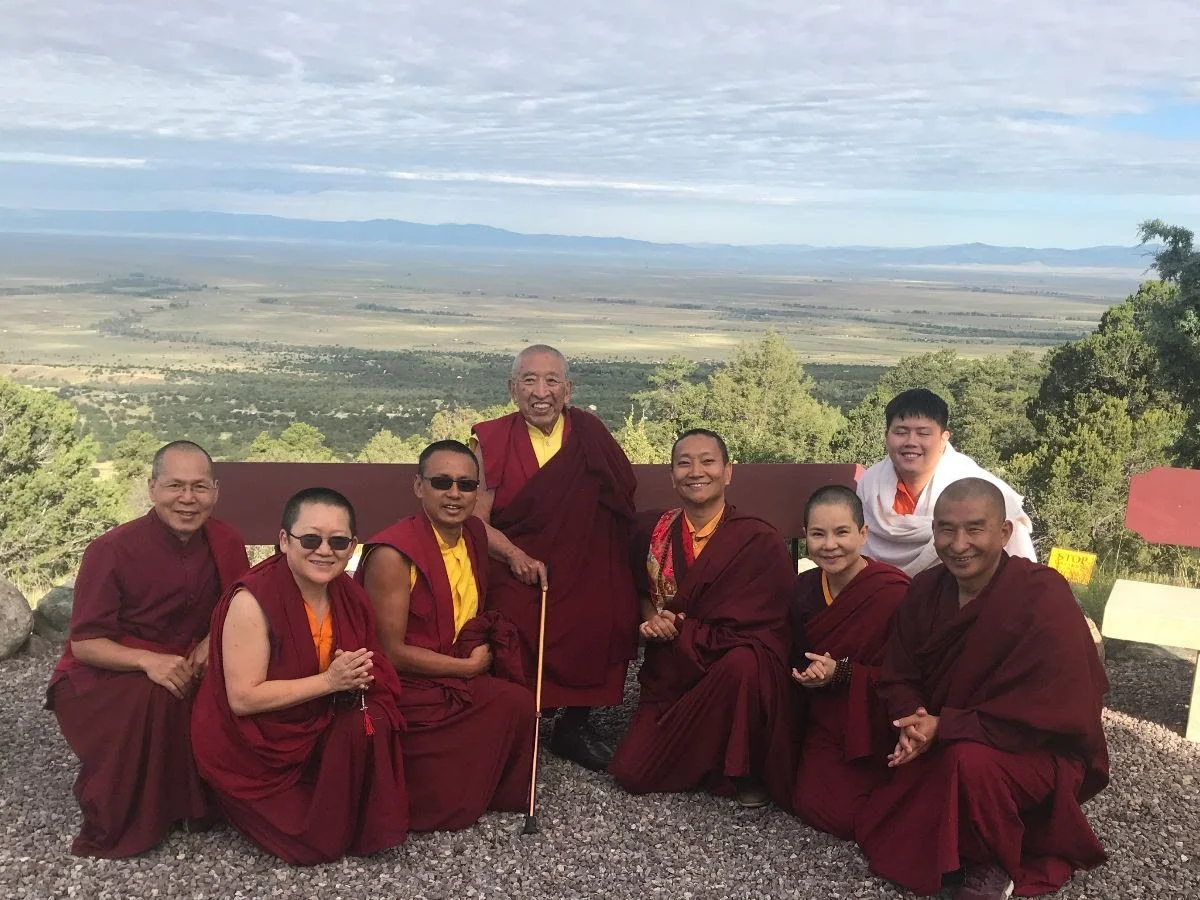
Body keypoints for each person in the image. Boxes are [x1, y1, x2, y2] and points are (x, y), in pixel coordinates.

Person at [855, 478, 1108, 900]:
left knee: (967, 761)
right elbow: (898, 672)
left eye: (975, 529)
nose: (958, 544)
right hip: (946, 732)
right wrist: (912, 720)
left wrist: (947, 726)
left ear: (1005, 533)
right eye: (945, 529)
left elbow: (1050, 711)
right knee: (855, 807)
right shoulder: (924, 591)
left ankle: (991, 862)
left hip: (1031, 749)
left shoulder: (1042, 595)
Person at [45, 441, 250, 858]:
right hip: (110, 669)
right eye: (175, 485)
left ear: (216, 491)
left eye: (199, 487)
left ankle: (216, 801)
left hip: (190, 656)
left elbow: (238, 605)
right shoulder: (111, 550)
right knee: (160, 692)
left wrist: (213, 641)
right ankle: (147, 812)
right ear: (153, 488)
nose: (187, 499)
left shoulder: (227, 540)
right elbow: (85, 644)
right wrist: (147, 660)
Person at [191, 487, 408, 865]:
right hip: (254, 750)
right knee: (313, 846)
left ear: (353, 545)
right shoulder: (252, 600)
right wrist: (330, 681)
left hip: (317, 722)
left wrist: (361, 678)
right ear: (283, 540)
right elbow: (242, 699)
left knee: (369, 720)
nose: (325, 551)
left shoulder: (349, 594)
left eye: (338, 541)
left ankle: (349, 813)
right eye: (310, 539)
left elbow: (375, 665)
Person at [470, 344, 639, 771]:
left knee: (607, 604)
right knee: (506, 611)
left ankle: (575, 724)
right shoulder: (491, 441)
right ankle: (517, 718)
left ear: (569, 389)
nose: (540, 391)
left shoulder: (590, 433)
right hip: (516, 565)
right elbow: (477, 522)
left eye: (551, 381)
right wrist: (514, 555)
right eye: (529, 380)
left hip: (585, 559)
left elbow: (619, 499)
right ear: (513, 389)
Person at [609, 429, 795, 809]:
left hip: (728, 669)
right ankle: (706, 760)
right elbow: (640, 590)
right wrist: (652, 619)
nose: (696, 471)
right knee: (632, 773)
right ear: (672, 475)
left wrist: (682, 628)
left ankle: (743, 768)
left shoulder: (758, 540)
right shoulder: (653, 531)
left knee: (746, 663)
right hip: (673, 669)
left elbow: (771, 630)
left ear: (728, 472)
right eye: (684, 462)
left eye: (708, 461)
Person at [358, 439, 535, 831]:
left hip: (453, 669)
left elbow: (491, 537)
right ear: (419, 486)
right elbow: (390, 651)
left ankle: (488, 790)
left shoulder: (471, 532)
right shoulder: (394, 554)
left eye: (466, 485)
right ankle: (431, 800)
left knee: (518, 703)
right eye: (442, 483)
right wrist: (465, 668)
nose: (454, 494)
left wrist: (519, 556)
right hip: (408, 683)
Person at [790, 485, 910, 839]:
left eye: (842, 532)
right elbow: (790, 650)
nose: (830, 545)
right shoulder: (804, 588)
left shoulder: (893, 593)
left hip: (876, 723)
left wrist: (842, 672)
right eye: (818, 534)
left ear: (863, 534)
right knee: (813, 804)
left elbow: (908, 677)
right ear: (805, 537)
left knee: (847, 813)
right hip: (824, 719)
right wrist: (807, 672)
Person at [857, 388, 1036, 576]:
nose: (911, 441)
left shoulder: (983, 490)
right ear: (886, 435)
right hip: (884, 597)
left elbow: (1019, 570)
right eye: (901, 432)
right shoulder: (870, 484)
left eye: (923, 433)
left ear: (944, 438)